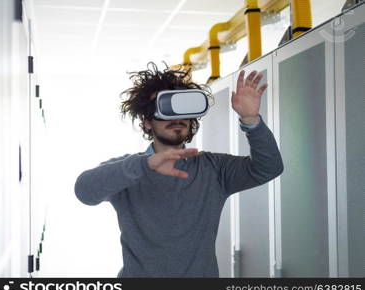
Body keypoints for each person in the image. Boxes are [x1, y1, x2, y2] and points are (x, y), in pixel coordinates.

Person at [74, 62, 284, 278]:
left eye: (183, 108)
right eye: (166, 109)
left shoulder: (213, 169)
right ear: (146, 121)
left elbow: (269, 168)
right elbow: (84, 191)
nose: (176, 118)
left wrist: (251, 120)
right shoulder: (128, 171)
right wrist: (145, 165)